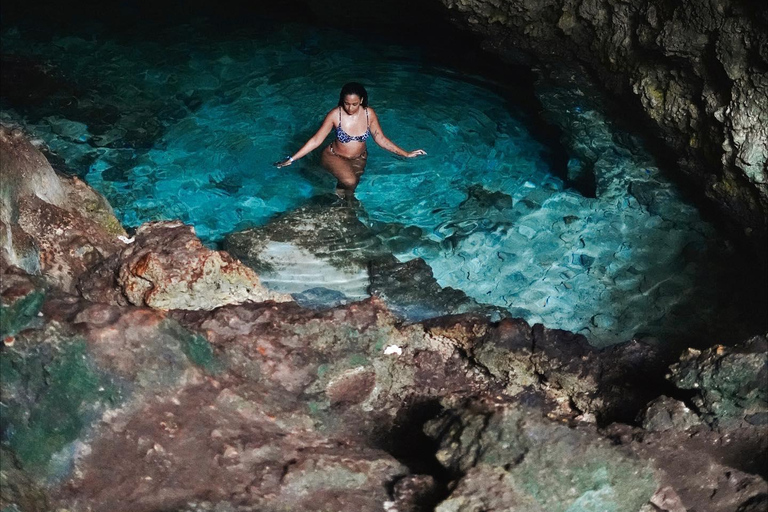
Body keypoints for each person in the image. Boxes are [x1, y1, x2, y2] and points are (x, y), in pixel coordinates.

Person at [274, 82, 427, 199]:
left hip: (360, 158)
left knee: (348, 192)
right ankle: (321, 186)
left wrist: (405, 154)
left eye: (354, 104)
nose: (350, 108)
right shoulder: (336, 114)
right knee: (350, 180)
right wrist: (292, 158)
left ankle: (339, 206)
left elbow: (380, 138)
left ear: (361, 100)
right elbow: (316, 139)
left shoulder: (369, 114)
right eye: (347, 103)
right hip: (334, 156)